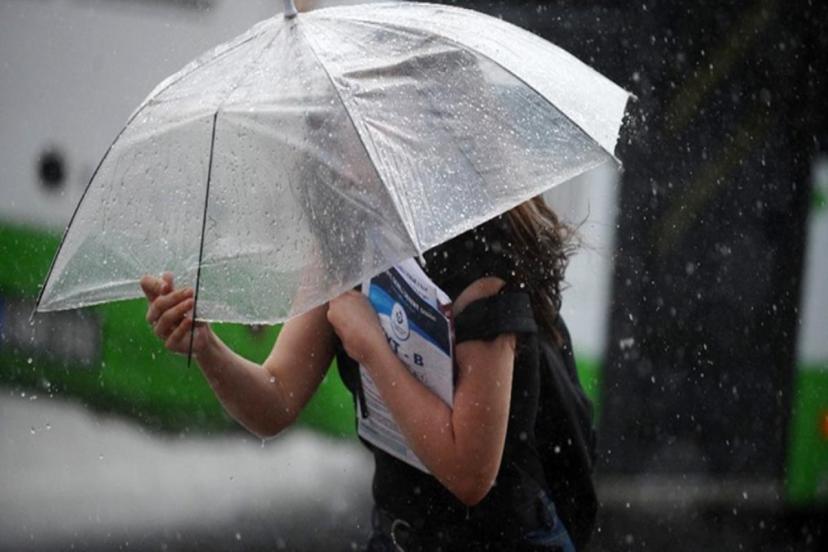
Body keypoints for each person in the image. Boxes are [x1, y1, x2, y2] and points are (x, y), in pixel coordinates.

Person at [140, 196, 591, 551]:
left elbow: (470, 474)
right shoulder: (345, 239)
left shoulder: (480, 255)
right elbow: (275, 399)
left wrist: (373, 349)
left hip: (499, 542)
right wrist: (206, 347)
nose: (335, 154)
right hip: (399, 535)